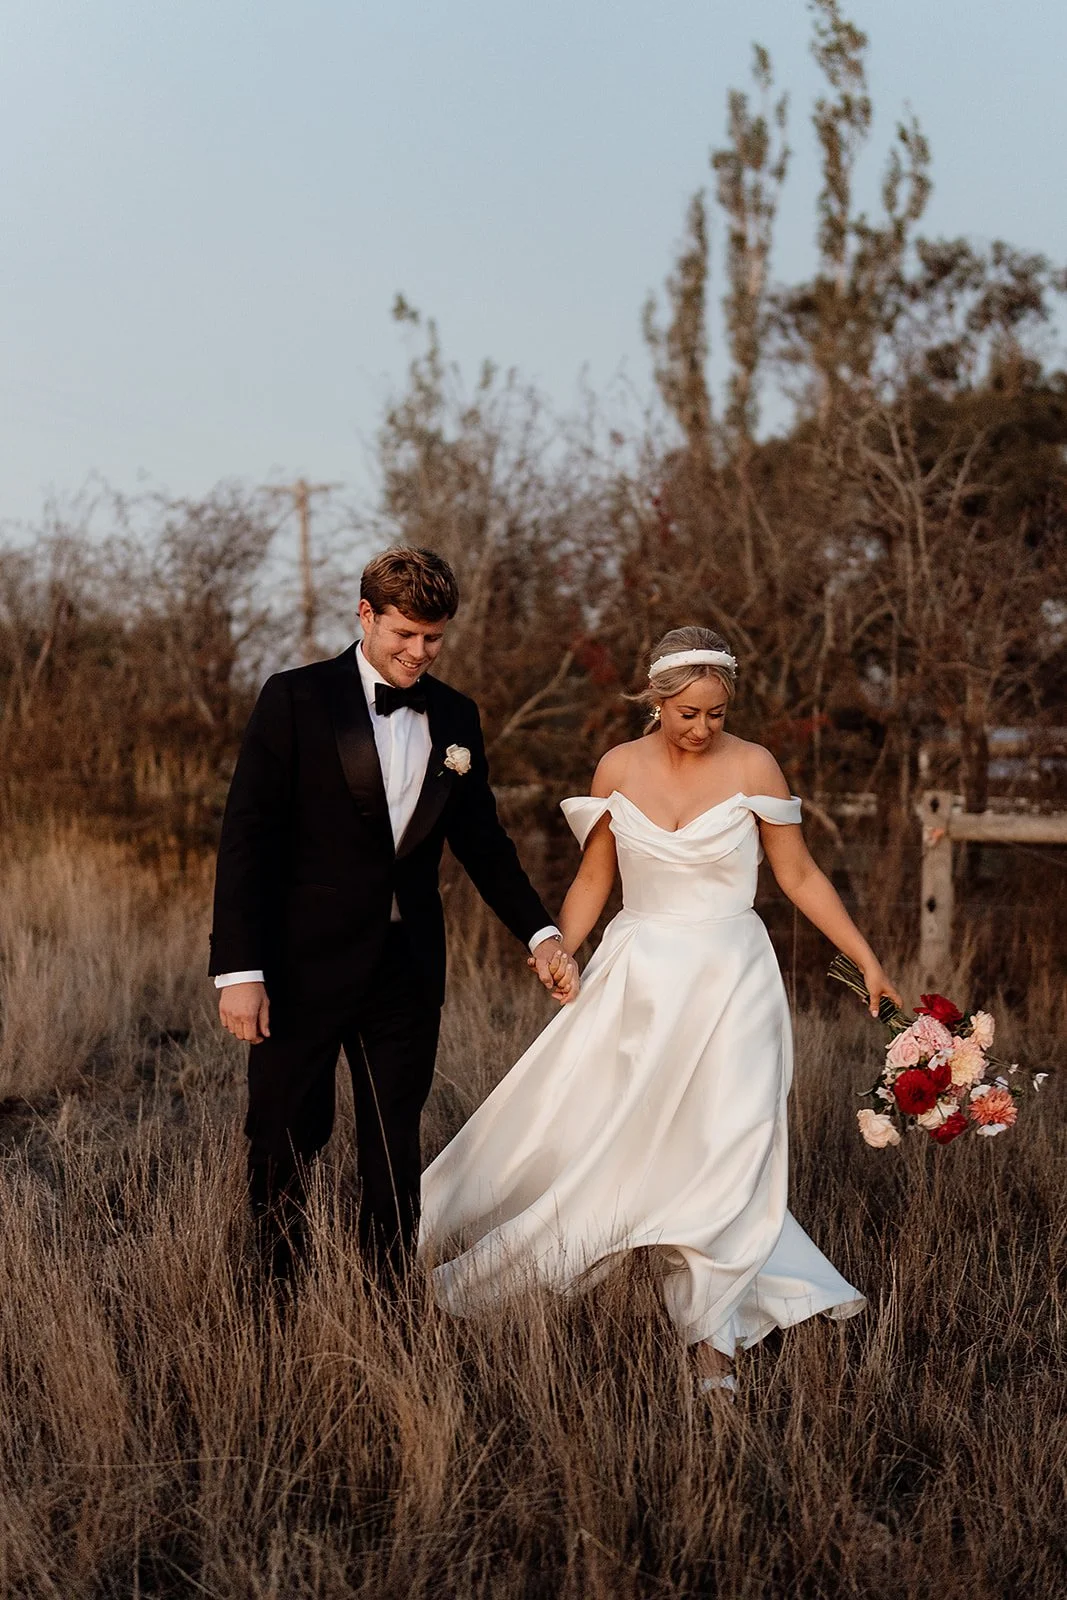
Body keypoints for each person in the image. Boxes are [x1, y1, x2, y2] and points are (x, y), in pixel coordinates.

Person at [419, 625, 901, 1394]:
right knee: (615, 1138)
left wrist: (866, 959)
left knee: (731, 1147)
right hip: (639, 977)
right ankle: (535, 1271)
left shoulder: (754, 765)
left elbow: (799, 875)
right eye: (688, 713)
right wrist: (559, 948)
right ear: (657, 701)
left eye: (715, 712)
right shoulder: (617, 767)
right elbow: (592, 879)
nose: (703, 728)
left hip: (733, 980)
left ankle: (713, 1345)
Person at [210, 545, 578, 1280]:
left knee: (393, 1146)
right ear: (365, 615)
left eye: (433, 639)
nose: (418, 653)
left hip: (405, 970)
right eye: (403, 634)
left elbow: (482, 842)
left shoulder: (456, 717)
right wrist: (238, 970)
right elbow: (247, 838)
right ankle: (274, 1303)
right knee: (282, 1135)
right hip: (296, 966)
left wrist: (540, 934)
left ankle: (387, 1303)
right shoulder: (294, 698)